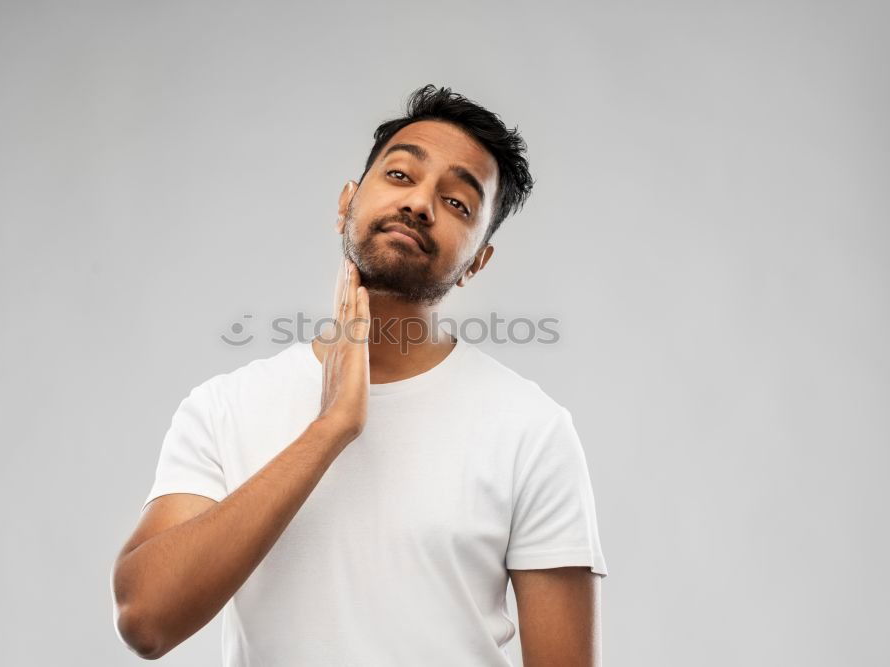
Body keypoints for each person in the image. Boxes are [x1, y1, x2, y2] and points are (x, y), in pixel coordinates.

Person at [111, 84, 609, 665]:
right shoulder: (224, 407)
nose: (421, 203)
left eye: (457, 203)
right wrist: (331, 427)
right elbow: (146, 621)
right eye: (400, 175)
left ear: (477, 262)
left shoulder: (533, 429)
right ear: (346, 203)